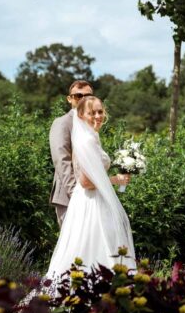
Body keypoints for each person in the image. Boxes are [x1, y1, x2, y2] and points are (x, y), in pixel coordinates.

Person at [45, 96, 136, 280]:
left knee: (98, 248)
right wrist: (115, 180)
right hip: (90, 201)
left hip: (93, 199)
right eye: (91, 112)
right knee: (93, 247)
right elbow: (86, 182)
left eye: (100, 111)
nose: (97, 116)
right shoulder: (87, 140)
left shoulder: (89, 136)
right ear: (80, 115)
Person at [49, 80, 94, 227]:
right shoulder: (62, 123)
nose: (83, 99)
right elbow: (61, 159)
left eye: (87, 96)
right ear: (70, 99)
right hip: (69, 196)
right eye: (78, 96)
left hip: (91, 194)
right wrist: (76, 193)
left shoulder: (92, 124)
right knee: (73, 248)